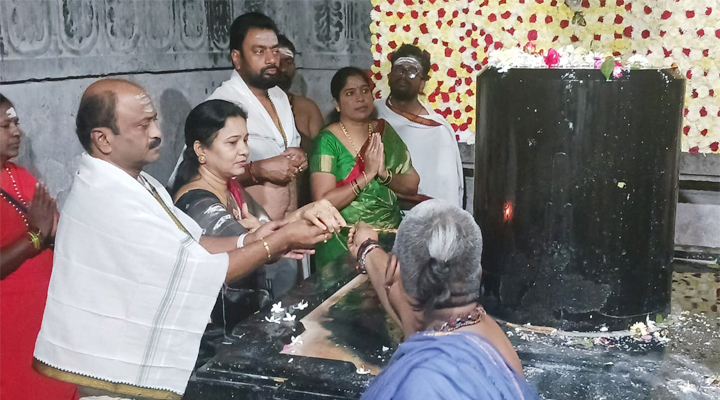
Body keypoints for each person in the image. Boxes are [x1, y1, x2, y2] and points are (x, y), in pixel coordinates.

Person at [32, 79, 343, 399]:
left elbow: (190, 245)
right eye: (143, 125)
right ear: (103, 139)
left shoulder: (138, 183)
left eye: (155, 120)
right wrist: (277, 241)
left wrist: (252, 239)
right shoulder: (106, 198)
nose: (157, 133)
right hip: (115, 375)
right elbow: (196, 270)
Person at [171, 99, 342, 333]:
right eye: (232, 143)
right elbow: (251, 250)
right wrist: (288, 234)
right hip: (219, 334)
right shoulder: (198, 203)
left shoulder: (230, 188)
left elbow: (260, 231)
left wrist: (303, 213)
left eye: (245, 140)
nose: (244, 150)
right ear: (201, 150)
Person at [348, 200, 539, 400]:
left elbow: (401, 293)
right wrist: (367, 248)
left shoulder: (423, 386)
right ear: (477, 273)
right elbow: (405, 303)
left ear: (393, 270)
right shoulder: (486, 334)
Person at [0, 95, 79, 399]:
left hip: (44, 324)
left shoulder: (18, 174)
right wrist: (35, 237)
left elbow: (53, 227)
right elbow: (38, 233)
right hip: (9, 329)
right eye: (5, 126)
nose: (17, 131)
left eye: (16, 123)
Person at [310, 67, 420, 267]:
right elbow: (323, 202)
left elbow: (412, 184)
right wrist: (367, 175)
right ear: (337, 104)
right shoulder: (326, 141)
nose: (360, 98)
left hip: (390, 239)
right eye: (350, 93)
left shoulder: (384, 131)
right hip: (344, 242)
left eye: (364, 90)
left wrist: (384, 174)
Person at [204, 12, 306, 222]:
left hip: (289, 226)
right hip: (249, 230)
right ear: (237, 57)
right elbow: (202, 174)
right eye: (259, 51)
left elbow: (286, 147)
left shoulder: (279, 96)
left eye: (274, 50)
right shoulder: (222, 103)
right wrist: (256, 170)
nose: (272, 59)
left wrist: (299, 156)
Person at [375, 44, 464, 207]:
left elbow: (446, 189)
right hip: (374, 210)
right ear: (389, 77)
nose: (403, 75)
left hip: (422, 213)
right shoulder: (372, 112)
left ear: (422, 83)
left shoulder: (437, 130)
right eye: (399, 69)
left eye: (412, 71)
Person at [276, 34, 325, 150]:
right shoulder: (251, 105)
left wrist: (292, 128)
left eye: (288, 62)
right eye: (278, 63)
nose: (283, 69)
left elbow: (320, 153)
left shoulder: (308, 107)